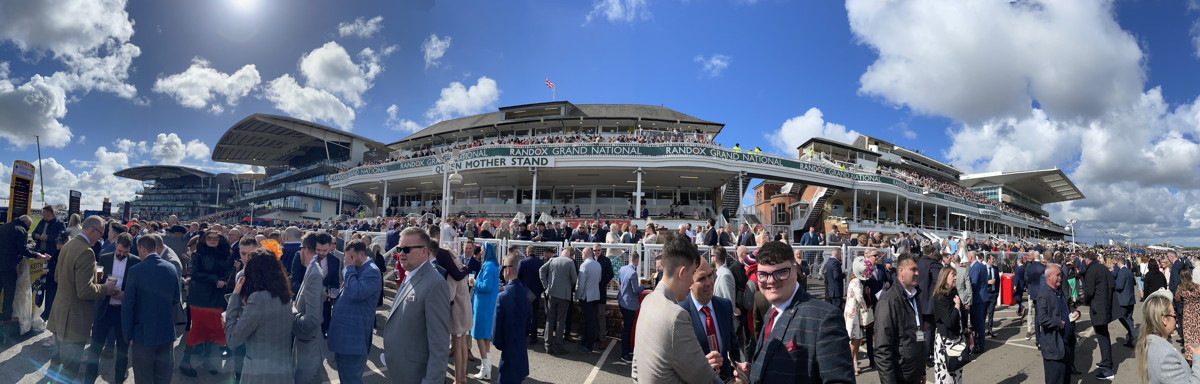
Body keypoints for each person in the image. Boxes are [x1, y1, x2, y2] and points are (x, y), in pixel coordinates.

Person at [731, 241, 853, 383]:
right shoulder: (772, 312)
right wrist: (753, 372)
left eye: (781, 272)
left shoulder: (825, 318)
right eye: (763, 274)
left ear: (795, 270)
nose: (770, 281)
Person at [632, 233, 722, 384]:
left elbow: (636, 367)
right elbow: (705, 379)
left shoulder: (648, 301)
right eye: (693, 273)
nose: (692, 282)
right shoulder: (676, 316)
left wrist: (699, 363)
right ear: (682, 273)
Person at [48, 215, 119, 383]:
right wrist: (105, 288)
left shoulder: (68, 244)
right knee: (69, 368)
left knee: (56, 362)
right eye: (101, 233)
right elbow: (84, 291)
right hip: (74, 319)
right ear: (93, 230)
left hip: (59, 313)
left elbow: (58, 276)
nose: (101, 237)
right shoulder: (86, 251)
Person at [382, 227, 451, 384]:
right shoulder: (410, 275)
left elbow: (439, 345)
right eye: (400, 248)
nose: (401, 253)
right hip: (401, 372)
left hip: (416, 376)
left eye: (407, 249)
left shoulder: (435, 284)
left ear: (424, 251)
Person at [225, 249, 296, 384]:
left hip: (259, 372)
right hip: (283, 369)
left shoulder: (258, 298)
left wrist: (234, 297)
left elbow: (233, 340)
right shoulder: (284, 294)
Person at [122, 235, 182, 384]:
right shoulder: (171, 268)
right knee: (163, 377)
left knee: (144, 377)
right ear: (155, 248)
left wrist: (127, 334)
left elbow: (128, 305)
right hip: (166, 334)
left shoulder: (136, 270)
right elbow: (176, 299)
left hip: (143, 335)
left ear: (142, 249)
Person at [83, 233, 139, 384]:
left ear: (130, 249)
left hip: (123, 313)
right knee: (95, 349)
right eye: (120, 251)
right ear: (116, 245)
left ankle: (119, 380)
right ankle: (89, 380)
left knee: (122, 353)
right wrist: (104, 287)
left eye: (125, 252)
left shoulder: (136, 262)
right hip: (104, 310)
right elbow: (96, 282)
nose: (122, 255)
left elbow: (138, 290)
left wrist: (125, 294)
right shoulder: (105, 257)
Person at [327, 239, 382, 384]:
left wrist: (349, 269)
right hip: (345, 338)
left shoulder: (372, 272)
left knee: (351, 379)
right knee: (346, 377)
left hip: (354, 339)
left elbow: (356, 293)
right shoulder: (358, 269)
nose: (347, 260)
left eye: (350, 257)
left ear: (361, 254)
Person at [180, 231, 233, 377]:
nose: (213, 240)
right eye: (209, 238)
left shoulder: (224, 254)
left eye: (216, 238)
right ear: (204, 240)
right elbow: (195, 273)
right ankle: (185, 361)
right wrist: (214, 280)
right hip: (201, 297)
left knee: (213, 329)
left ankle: (207, 360)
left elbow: (228, 270)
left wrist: (224, 278)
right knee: (197, 328)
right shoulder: (197, 255)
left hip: (216, 296)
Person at [681, 258, 739, 380]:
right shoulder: (680, 313)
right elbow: (677, 361)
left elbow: (733, 348)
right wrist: (701, 367)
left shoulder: (725, 306)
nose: (708, 282)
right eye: (701, 278)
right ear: (689, 283)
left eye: (710, 275)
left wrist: (738, 371)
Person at [874, 253, 927, 384]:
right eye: (913, 269)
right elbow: (882, 350)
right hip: (900, 377)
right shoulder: (888, 301)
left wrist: (921, 371)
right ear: (901, 272)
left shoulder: (914, 295)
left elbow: (917, 336)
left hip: (914, 373)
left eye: (917, 270)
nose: (917, 273)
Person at [0, 216, 49, 341]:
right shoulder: (21, 230)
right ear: (26, 223)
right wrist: (36, 254)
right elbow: (23, 249)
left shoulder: (4, 226)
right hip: (9, 266)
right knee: (9, 293)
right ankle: (6, 318)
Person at [1137, 289, 1200, 383]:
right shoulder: (1165, 355)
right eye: (1174, 316)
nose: (1176, 320)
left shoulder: (1151, 341)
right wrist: (1198, 357)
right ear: (1164, 320)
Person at [292, 234, 325, 384]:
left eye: (300, 249)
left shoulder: (314, 274)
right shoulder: (311, 270)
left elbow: (311, 320)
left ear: (305, 250)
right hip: (305, 342)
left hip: (308, 344)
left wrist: (293, 311)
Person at [494, 252, 531, 384]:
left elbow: (496, 332)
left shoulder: (502, 297)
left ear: (508, 270)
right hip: (521, 351)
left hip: (508, 353)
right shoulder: (526, 293)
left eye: (503, 268)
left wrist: (499, 343)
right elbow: (529, 324)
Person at [1037, 264, 1078, 384]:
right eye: (1058, 275)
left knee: (1066, 378)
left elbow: (1065, 309)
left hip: (1065, 345)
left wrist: (1075, 313)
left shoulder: (1059, 292)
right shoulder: (1044, 294)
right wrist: (1058, 323)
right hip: (1054, 347)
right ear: (1049, 277)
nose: (1061, 277)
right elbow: (1042, 318)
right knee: (1055, 380)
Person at [1081, 252, 1116, 380]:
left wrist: (1085, 301)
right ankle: (1105, 362)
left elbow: (1089, 290)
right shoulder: (1103, 268)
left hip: (1098, 308)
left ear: (1087, 260)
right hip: (1105, 306)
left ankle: (1107, 368)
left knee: (1102, 336)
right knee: (1103, 335)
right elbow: (1112, 284)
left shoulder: (1092, 270)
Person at [540, 247, 578, 355]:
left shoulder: (553, 260)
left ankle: (547, 345)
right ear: (569, 254)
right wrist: (568, 286)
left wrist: (546, 286)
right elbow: (574, 279)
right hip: (564, 295)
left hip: (551, 293)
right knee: (560, 321)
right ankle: (558, 346)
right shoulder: (570, 262)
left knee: (550, 320)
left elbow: (541, 270)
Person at [471, 243, 501, 380]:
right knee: (485, 336)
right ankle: (486, 365)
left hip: (483, 304)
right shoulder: (492, 265)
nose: (481, 252)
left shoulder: (488, 266)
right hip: (487, 304)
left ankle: (485, 367)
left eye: (482, 250)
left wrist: (473, 282)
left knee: (479, 335)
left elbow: (486, 286)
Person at [932, 267, 965, 384]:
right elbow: (950, 321)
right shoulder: (939, 298)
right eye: (953, 275)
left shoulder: (953, 292)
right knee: (946, 379)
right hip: (946, 344)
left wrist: (966, 328)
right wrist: (957, 306)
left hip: (957, 340)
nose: (956, 277)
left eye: (955, 275)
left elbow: (963, 314)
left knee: (957, 377)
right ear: (945, 278)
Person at [845, 256, 873, 376]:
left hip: (855, 312)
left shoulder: (856, 281)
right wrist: (866, 308)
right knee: (855, 338)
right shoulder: (856, 281)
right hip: (853, 313)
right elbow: (859, 298)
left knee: (858, 338)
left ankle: (854, 362)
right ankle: (850, 363)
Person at [515, 244, 545, 345]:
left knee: (524, 314)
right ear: (534, 252)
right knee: (534, 315)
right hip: (536, 292)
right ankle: (533, 337)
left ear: (527, 252)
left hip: (525, 292)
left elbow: (518, 277)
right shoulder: (540, 262)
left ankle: (523, 335)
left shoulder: (522, 262)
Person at [576, 247, 602, 353]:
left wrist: (578, 295)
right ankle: (585, 341)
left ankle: (588, 345)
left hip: (586, 296)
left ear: (586, 254)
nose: (582, 255)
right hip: (595, 295)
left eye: (582, 253)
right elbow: (599, 279)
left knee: (589, 321)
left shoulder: (584, 265)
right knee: (590, 320)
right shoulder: (597, 264)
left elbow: (581, 284)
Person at [618, 250, 641, 362]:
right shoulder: (633, 273)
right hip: (629, 304)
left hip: (622, 301)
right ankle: (625, 353)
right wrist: (645, 286)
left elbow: (620, 282)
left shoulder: (623, 269)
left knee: (626, 328)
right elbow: (636, 290)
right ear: (637, 261)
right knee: (627, 329)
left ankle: (625, 350)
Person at [1113, 256, 1138, 347]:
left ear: (1119, 263)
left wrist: (1113, 284)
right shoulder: (1129, 272)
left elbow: (1119, 286)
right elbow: (1134, 283)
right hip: (1130, 298)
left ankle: (1134, 334)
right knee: (1129, 318)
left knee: (1122, 317)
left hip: (1123, 299)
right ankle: (1131, 339)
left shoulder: (1121, 272)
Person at [967, 252, 989, 353]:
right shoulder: (982, 266)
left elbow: (973, 283)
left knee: (978, 323)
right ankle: (980, 343)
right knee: (980, 322)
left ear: (970, 257)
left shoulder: (975, 267)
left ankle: (979, 344)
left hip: (977, 298)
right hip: (982, 297)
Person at [1175, 271, 1200, 348]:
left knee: (1188, 333)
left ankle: (1190, 354)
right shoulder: (1197, 287)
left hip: (1187, 312)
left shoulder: (1180, 288)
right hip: (1197, 311)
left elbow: (1177, 298)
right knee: (1197, 332)